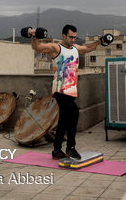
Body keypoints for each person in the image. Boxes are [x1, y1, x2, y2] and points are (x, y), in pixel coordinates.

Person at [30, 24, 107, 160]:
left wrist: (100, 41)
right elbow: (37, 47)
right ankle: (70, 147)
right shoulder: (56, 48)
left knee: (64, 121)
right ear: (64, 35)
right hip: (60, 90)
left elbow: (88, 48)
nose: (73, 39)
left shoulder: (75, 48)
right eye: (70, 37)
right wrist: (34, 35)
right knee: (74, 113)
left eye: (74, 37)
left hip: (71, 91)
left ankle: (56, 150)